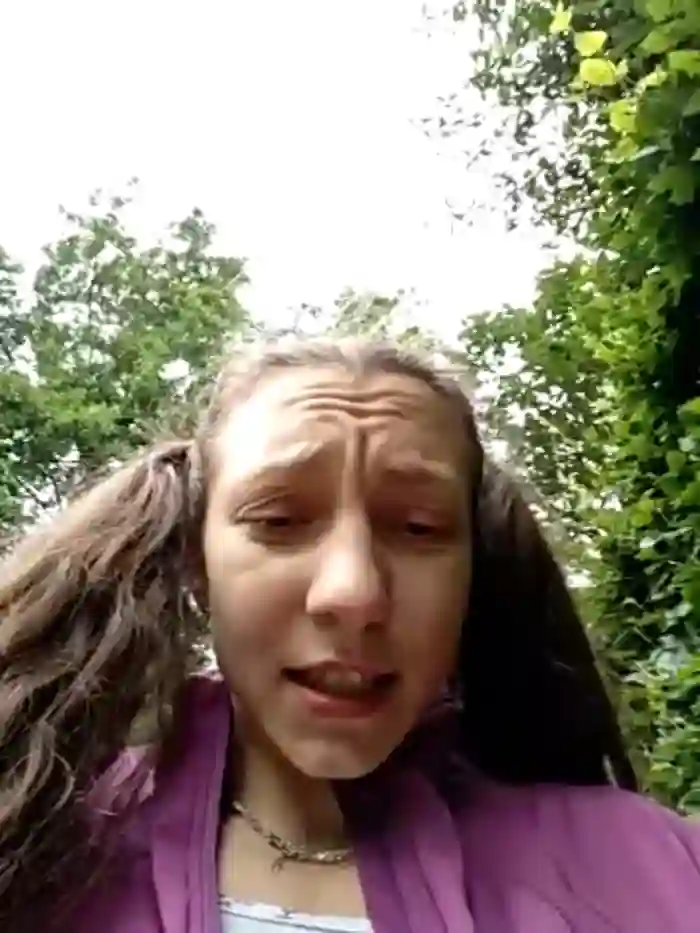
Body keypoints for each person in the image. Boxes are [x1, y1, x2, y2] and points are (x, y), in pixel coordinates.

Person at [1, 337, 699, 933]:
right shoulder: (36, 855)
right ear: (196, 562)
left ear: (471, 573)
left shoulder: (652, 872)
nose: (353, 593)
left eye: (419, 528)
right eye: (278, 521)